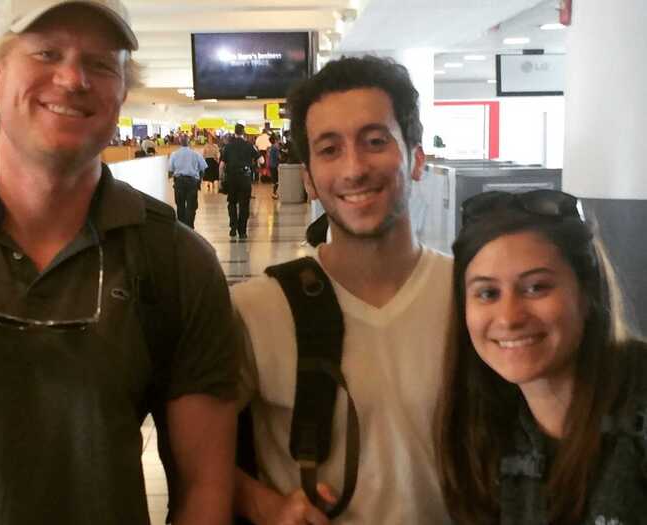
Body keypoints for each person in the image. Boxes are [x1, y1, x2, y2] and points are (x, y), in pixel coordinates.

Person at [0, 1, 237, 524]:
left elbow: (205, 486)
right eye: (47, 52)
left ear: (122, 91)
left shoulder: (176, 262)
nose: (72, 77)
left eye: (101, 63)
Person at [231, 55, 454, 524]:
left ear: (416, 158)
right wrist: (266, 506)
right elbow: (197, 454)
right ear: (309, 177)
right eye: (329, 150)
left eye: (375, 142)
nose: (354, 169)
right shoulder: (254, 311)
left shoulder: (473, 300)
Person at [435, 189, 647, 524]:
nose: (509, 317)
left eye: (536, 287)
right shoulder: (487, 432)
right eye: (487, 293)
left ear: (588, 291)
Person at [220, 123, 259, 240]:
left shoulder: (227, 146)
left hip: (232, 178)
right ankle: (242, 231)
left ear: (235, 132)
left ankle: (233, 227)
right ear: (243, 132)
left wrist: (220, 179)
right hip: (245, 177)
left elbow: (221, 165)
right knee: (244, 204)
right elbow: (261, 160)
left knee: (232, 202)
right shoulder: (249, 145)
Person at [168, 135, 207, 229]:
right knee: (191, 206)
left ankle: (182, 228)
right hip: (192, 182)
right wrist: (199, 180)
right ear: (189, 142)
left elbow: (170, 170)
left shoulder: (174, 154)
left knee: (180, 206)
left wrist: (172, 176)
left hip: (179, 182)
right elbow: (203, 168)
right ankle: (190, 226)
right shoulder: (195, 154)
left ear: (180, 142)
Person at [267, 134, 280, 199]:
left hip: (271, 165)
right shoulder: (275, 147)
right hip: (274, 165)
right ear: (275, 140)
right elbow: (278, 157)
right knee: (276, 180)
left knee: (274, 180)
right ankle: (274, 193)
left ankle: (274, 193)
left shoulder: (271, 147)